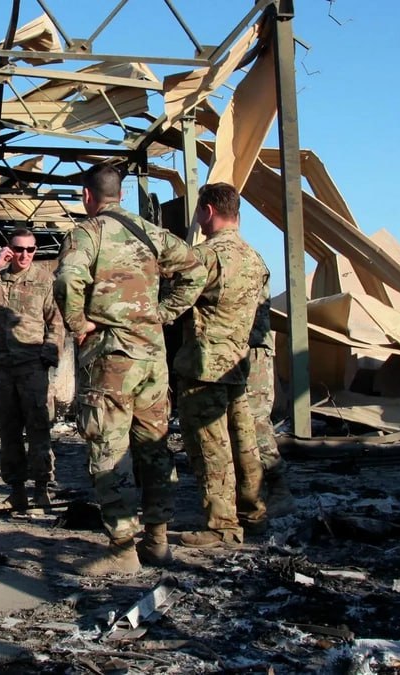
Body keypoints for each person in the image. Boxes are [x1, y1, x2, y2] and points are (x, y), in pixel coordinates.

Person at [55, 162, 206, 576]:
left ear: (88, 196)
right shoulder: (152, 234)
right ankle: (157, 540)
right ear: (120, 194)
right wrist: (162, 313)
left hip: (112, 361)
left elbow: (68, 280)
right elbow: (196, 270)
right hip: (152, 360)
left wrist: (79, 324)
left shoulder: (87, 233)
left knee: (109, 449)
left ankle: (123, 548)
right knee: (155, 448)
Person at [173, 183, 270, 548]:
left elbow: (176, 303)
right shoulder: (255, 258)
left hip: (203, 367)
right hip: (237, 366)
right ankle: (254, 513)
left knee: (209, 446)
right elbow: (261, 320)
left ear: (208, 211)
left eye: (199, 210)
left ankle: (221, 526)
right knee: (244, 443)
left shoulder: (204, 257)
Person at [0, 226, 62, 511]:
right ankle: (16, 490)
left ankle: (42, 489)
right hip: (3, 368)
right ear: (9, 249)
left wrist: (48, 356)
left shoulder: (44, 280)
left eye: (30, 250)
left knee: (38, 430)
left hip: (33, 367)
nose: (25, 255)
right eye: (19, 249)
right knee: (8, 432)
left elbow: (55, 323)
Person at [248, 277, 296, 518]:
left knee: (256, 423)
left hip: (249, 350)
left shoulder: (242, 260)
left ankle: (278, 489)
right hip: (240, 350)